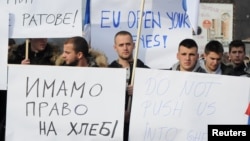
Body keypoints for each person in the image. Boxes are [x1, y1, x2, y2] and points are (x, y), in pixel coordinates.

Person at [108, 30, 149, 141]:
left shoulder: (145, 70)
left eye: (128, 44)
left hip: (138, 129)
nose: (125, 48)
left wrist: (140, 92)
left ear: (134, 45)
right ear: (115, 47)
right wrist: (119, 113)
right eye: (121, 45)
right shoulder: (108, 71)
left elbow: (154, 98)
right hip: (114, 130)